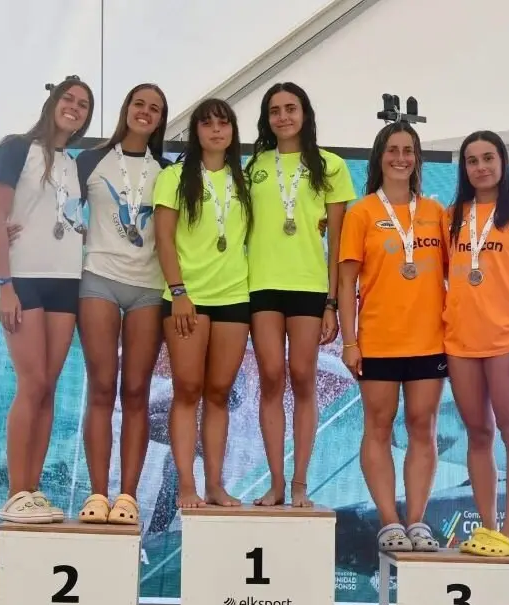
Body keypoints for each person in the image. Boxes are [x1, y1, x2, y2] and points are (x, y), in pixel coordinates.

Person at [244, 82, 357, 507]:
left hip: (310, 287)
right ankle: (275, 482)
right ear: (267, 119)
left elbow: (340, 244)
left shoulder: (330, 166)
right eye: (275, 110)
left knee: (303, 378)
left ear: (305, 113)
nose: (283, 117)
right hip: (262, 285)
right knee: (271, 379)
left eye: (291, 108)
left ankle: (299, 484)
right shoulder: (254, 166)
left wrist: (331, 301)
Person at [338, 121, 447, 552]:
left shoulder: (437, 212)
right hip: (379, 339)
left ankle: (417, 520)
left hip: (430, 341)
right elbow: (347, 282)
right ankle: (389, 521)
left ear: (417, 159)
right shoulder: (362, 212)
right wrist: (350, 340)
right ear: (380, 158)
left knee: (424, 428)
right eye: (393, 150)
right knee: (378, 428)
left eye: (409, 150)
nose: (401, 158)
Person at [0, 75, 95, 523]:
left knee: (48, 388)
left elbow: (68, 216)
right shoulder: (15, 147)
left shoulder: (76, 165)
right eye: (69, 99)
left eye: (84, 104)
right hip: (25, 279)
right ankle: (15, 492)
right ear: (53, 101)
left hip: (66, 281)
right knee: (30, 384)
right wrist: (4, 284)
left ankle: (32, 491)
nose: (74, 107)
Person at [443, 130, 509, 558]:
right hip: (461, 342)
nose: (481, 167)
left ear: (502, 162)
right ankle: (488, 529)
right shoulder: (452, 215)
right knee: (477, 433)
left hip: (507, 340)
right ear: (464, 169)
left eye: (488, 158)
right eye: (472, 160)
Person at [72, 84, 170, 524]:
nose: (145, 112)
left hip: (149, 287)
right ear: (125, 109)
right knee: (101, 386)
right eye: (138, 104)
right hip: (99, 280)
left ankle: (127, 496)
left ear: (161, 118)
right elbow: (59, 212)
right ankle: (97, 493)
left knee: (136, 392)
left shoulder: (167, 171)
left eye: (154, 108)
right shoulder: (90, 160)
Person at [153, 98, 254, 509]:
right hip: (186, 299)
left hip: (234, 297)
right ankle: (186, 486)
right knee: (187, 390)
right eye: (208, 124)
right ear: (195, 132)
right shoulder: (174, 177)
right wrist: (178, 291)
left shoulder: (244, 180)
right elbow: (163, 239)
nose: (216, 130)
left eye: (224, 123)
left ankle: (214, 485)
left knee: (218, 393)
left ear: (232, 131)